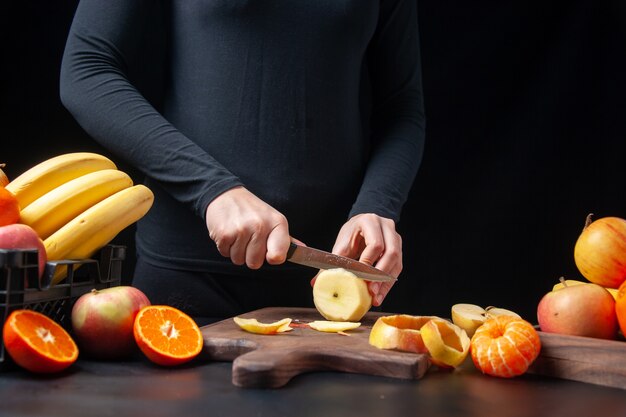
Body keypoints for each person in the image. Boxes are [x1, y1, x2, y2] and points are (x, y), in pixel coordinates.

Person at [59, 0, 425, 325]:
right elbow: (87, 69)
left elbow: (401, 106)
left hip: (335, 284)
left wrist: (378, 206)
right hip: (190, 283)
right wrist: (212, 189)